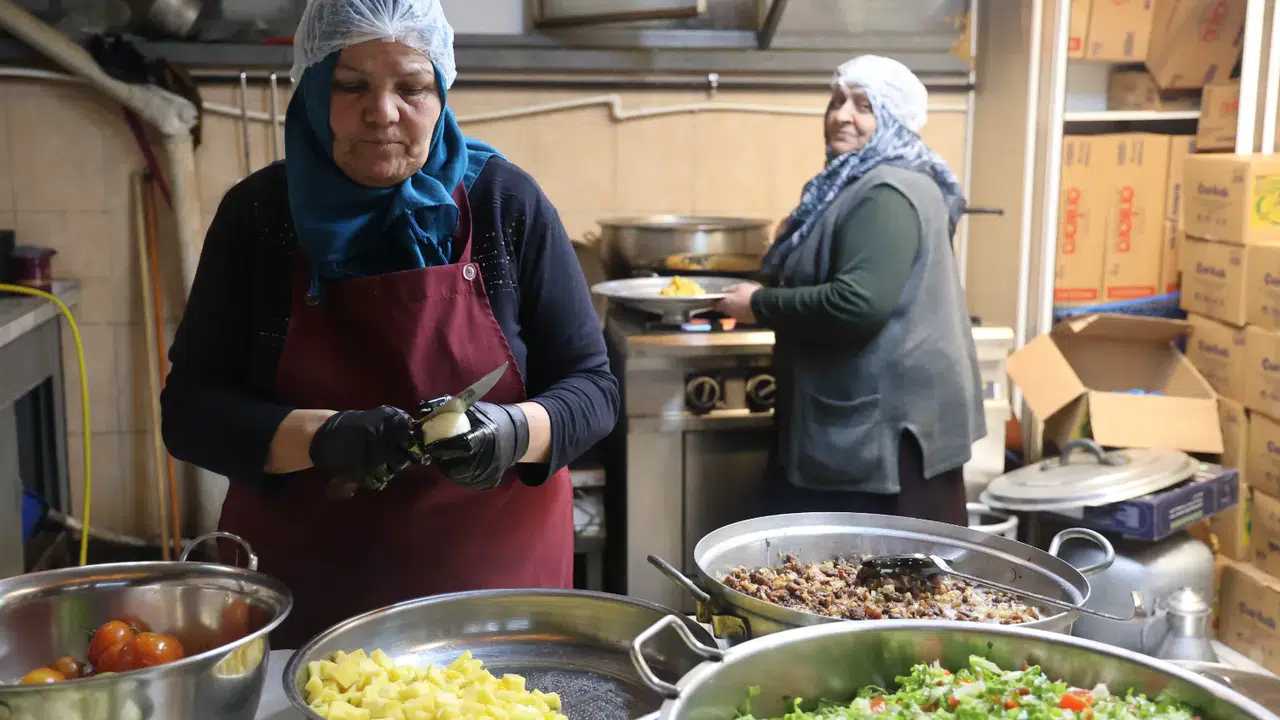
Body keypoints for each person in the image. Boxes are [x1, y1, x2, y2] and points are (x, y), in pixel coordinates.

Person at [160, 0, 618, 648]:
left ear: (442, 92)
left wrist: (512, 433)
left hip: (497, 600)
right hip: (311, 604)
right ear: (315, 89)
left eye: (412, 87)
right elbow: (188, 412)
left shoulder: (503, 204)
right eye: (352, 86)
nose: (382, 112)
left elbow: (593, 389)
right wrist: (323, 438)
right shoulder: (259, 218)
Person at [714, 55, 984, 526]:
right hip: (865, 429)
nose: (842, 115)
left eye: (864, 106)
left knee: (870, 585)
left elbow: (858, 304)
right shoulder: (855, 184)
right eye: (837, 100)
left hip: (886, 443)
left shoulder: (886, 192)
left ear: (892, 121)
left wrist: (758, 305)